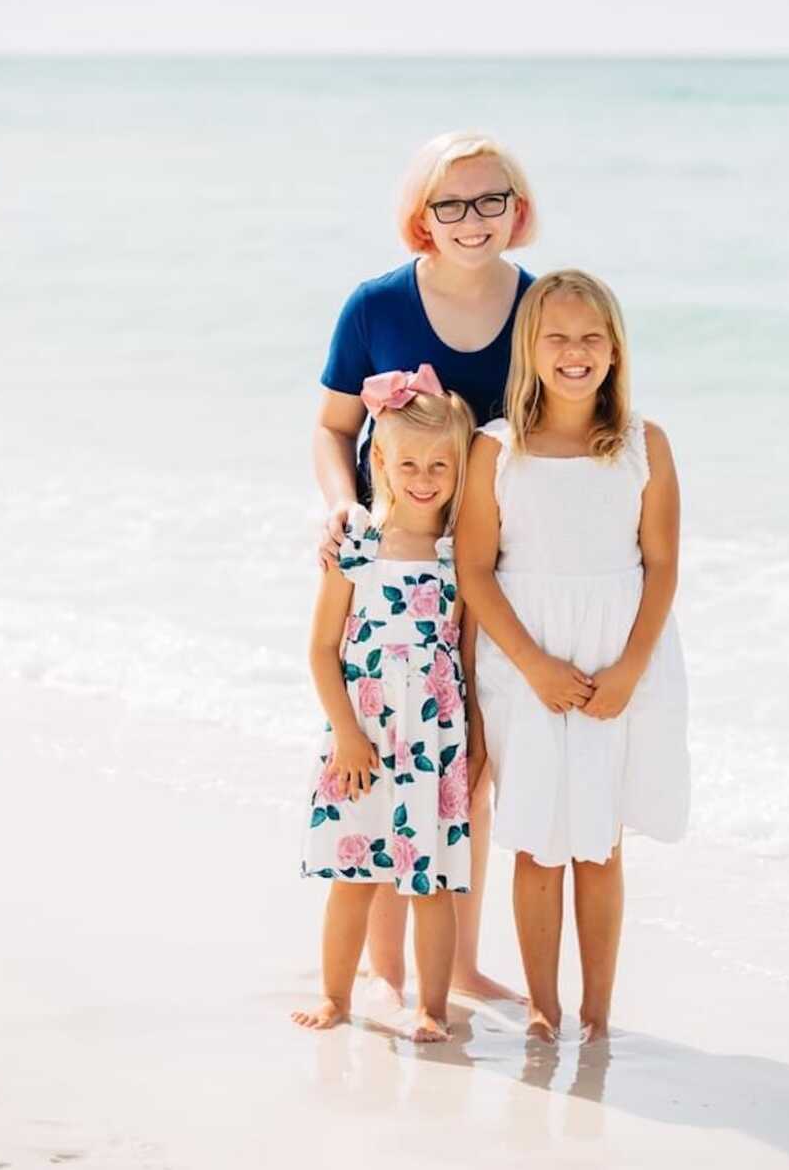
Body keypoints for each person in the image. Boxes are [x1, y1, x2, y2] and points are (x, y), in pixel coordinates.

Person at [312, 130, 538, 1003]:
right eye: (451, 203)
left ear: (517, 210)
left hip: (499, 563)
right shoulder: (374, 305)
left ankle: (462, 964)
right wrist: (343, 506)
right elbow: (334, 429)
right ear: (422, 215)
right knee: (378, 772)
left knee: (464, 774)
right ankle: (387, 970)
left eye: (491, 200)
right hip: (392, 552)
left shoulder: (536, 304)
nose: (472, 219)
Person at [455, 271, 690, 1043]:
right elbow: (476, 570)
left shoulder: (642, 446)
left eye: (591, 337)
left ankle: (597, 1011)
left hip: (618, 660)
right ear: (531, 348)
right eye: (556, 337)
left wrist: (627, 669)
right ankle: (543, 1010)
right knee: (537, 839)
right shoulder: (498, 450)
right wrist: (531, 665)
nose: (574, 352)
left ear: (615, 349)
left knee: (599, 842)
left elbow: (661, 565)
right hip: (526, 665)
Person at [294, 367, 483, 1041]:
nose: (424, 476)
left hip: (434, 743)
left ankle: (432, 1006)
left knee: (430, 882)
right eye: (408, 463)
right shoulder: (356, 545)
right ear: (379, 461)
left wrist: (477, 749)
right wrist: (347, 737)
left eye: (440, 464)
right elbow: (322, 650)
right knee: (355, 873)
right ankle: (337, 998)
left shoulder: (461, 556)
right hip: (362, 739)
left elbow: (465, 658)